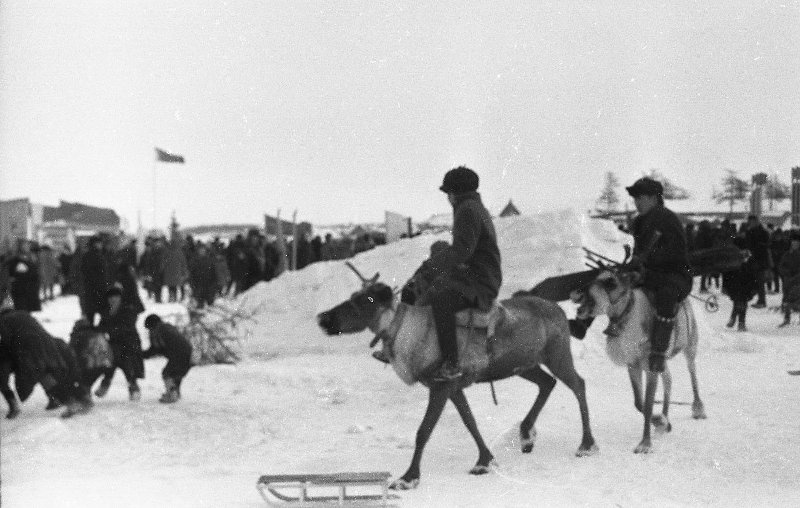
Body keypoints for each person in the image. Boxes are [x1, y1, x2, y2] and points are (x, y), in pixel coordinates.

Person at [414, 166, 502, 381]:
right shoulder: (473, 207)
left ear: (454, 194)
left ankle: (451, 364)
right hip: (475, 275)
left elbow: (462, 250)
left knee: (440, 298)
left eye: (448, 194)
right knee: (428, 289)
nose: (447, 198)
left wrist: (430, 268)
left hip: (481, 281)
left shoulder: (467, 209)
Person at [625, 177, 692, 373]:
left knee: (666, 295)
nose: (637, 202)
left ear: (654, 198)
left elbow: (677, 252)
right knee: (613, 285)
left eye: (641, 197)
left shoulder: (668, 218)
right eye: (635, 198)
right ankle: (582, 324)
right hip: (647, 274)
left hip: (673, 275)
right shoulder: (638, 222)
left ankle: (658, 353)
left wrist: (647, 261)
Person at [95, 285, 145, 401]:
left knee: (128, 365)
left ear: (120, 298)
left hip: (129, 343)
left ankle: (133, 388)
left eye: (115, 297)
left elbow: (127, 327)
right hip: (114, 343)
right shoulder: (107, 311)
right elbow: (102, 326)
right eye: (110, 298)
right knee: (110, 363)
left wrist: (111, 330)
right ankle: (105, 384)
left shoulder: (128, 309)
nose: (112, 300)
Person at [142, 314, 193, 403]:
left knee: (167, 373)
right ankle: (175, 393)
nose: (149, 331)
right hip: (188, 352)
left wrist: (142, 354)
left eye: (149, 328)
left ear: (152, 326)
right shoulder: (167, 327)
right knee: (176, 374)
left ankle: (172, 394)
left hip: (178, 353)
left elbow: (155, 349)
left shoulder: (158, 331)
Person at [722, 235, 758, 332]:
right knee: (741, 302)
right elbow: (754, 272)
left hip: (739, 284)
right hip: (743, 284)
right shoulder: (748, 257)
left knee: (739, 302)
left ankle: (735, 319)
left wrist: (725, 285)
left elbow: (726, 272)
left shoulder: (733, 256)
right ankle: (739, 322)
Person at [745, 215, 771, 308]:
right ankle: (758, 299)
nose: (751, 223)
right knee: (754, 281)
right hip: (752, 260)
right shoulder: (749, 232)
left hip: (760, 261)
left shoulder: (763, 232)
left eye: (752, 222)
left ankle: (762, 301)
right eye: (750, 222)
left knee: (760, 281)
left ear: (756, 221)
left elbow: (765, 246)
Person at [778, 233, 800, 327]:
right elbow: (781, 266)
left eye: (797, 243)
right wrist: (786, 273)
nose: (794, 245)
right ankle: (787, 319)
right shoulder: (787, 254)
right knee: (787, 298)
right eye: (793, 243)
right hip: (788, 280)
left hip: (798, 280)